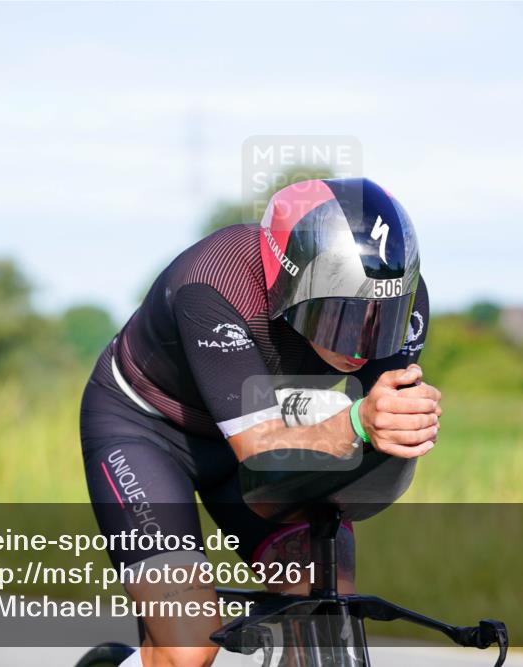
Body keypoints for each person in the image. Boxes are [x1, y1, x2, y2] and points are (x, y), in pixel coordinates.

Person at [80, 177, 441, 667]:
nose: (361, 344)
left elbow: (374, 446)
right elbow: (262, 450)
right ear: (288, 283)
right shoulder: (213, 284)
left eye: (380, 319)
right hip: (147, 432)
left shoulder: (407, 298)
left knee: (322, 623)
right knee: (189, 648)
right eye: (342, 318)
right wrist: (357, 421)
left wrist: (395, 432)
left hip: (274, 431)